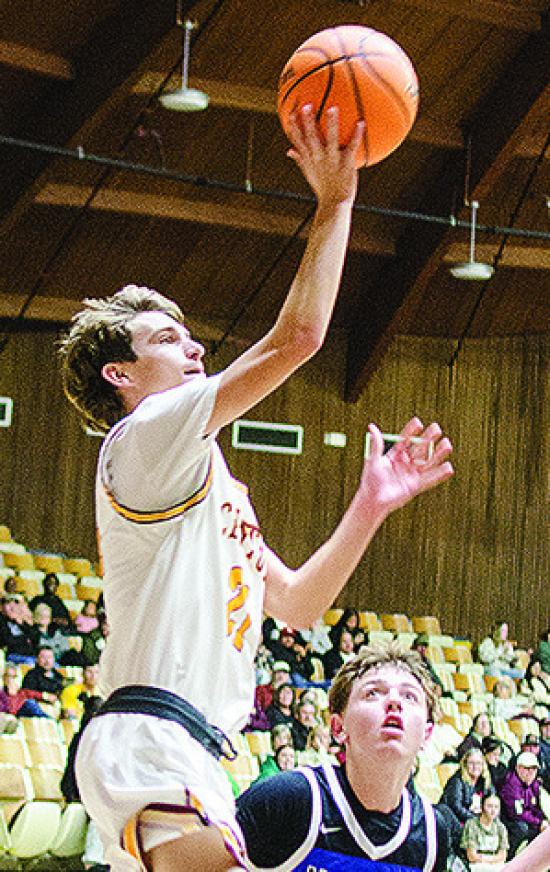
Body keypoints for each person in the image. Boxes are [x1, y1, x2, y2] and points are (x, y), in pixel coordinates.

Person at [59, 106, 454, 872]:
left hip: (193, 749)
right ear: (120, 374)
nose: (194, 344)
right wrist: (337, 204)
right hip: (151, 737)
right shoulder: (142, 439)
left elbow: (299, 603)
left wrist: (369, 505)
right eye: (166, 340)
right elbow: (297, 340)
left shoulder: (213, 484)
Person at [236, 640, 453, 870]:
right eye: (373, 693)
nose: (394, 702)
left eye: (409, 696)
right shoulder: (292, 797)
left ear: (426, 735)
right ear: (338, 728)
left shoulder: (431, 833)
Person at [498, 750, 548, 857]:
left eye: (534, 769)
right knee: (522, 829)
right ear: (518, 768)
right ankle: (510, 856)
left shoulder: (533, 783)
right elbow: (518, 813)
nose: (530, 772)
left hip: (527, 818)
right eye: (527, 768)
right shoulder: (511, 785)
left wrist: (543, 820)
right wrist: (539, 823)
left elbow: (537, 806)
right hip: (511, 819)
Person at [441, 748, 491, 825]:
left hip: (476, 821)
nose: (475, 767)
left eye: (478, 763)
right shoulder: (457, 781)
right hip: (456, 822)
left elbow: (492, 800)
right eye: (471, 763)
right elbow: (456, 807)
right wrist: (477, 820)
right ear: (465, 764)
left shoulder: (485, 780)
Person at [461, 792, 508, 870]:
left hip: (496, 864)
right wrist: (489, 860)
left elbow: (503, 855)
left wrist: (492, 860)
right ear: (482, 807)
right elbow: (471, 856)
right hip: (477, 865)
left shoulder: (501, 827)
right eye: (489, 806)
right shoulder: (472, 824)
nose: (493, 810)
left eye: (496, 807)